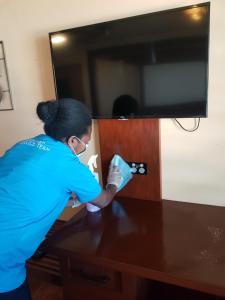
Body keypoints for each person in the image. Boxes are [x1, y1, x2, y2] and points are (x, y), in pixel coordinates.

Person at [0, 98, 128, 299]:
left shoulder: (24, 145)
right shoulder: (67, 164)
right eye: (85, 143)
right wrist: (114, 182)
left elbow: (21, 191)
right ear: (72, 140)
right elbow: (102, 200)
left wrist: (69, 201)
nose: (83, 147)